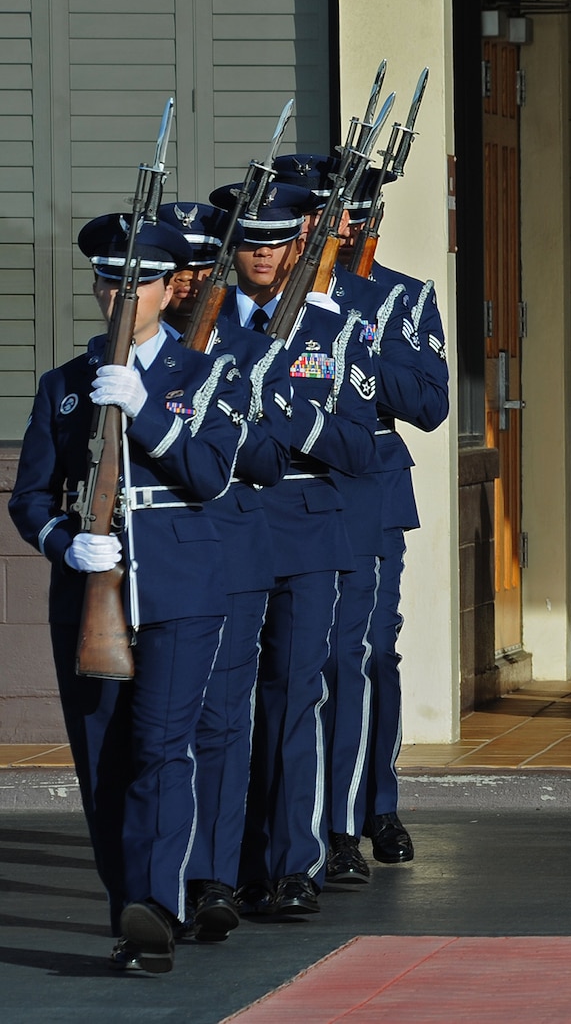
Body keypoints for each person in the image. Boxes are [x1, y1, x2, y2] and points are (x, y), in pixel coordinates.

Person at [9, 215, 245, 972]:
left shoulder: (206, 374)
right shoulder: (64, 385)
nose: (121, 293)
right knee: (104, 758)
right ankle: (131, 914)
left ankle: (158, 901)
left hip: (181, 586)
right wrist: (63, 542)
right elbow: (30, 497)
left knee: (160, 748)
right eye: (110, 280)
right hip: (90, 595)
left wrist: (143, 407)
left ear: (169, 288)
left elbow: (210, 474)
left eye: (138, 281)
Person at [208, 179, 380, 919]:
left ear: (298, 245)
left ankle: (290, 863)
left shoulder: (332, 329)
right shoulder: (203, 327)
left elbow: (359, 446)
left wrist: (288, 417)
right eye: (249, 240)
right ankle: (217, 870)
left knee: (293, 697)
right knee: (221, 706)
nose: (262, 254)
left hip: (308, 523)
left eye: (276, 240)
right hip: (231, 522)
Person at [157, 200, 293, 942]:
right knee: (158, 729)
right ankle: (157, 878)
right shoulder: (130, 356)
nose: (184, 284)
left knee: (219, 720)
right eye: (171, 271)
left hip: (232, 552)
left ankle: (214, 876)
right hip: (156, 557)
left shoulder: (248, 349)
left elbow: (270, 458)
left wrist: (217, 419)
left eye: (196, 269)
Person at [326, 164, 449, 870]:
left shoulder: (403, 298)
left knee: (369, 652)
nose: (346, 224)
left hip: (371, 488)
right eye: (334, 212)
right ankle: (325, 820)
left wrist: (362, 344)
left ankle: (377, 804)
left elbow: (431, 406)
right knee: (316, 658)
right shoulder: (283, 297)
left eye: (355, 212)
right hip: (293, 489)